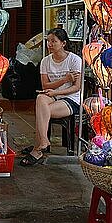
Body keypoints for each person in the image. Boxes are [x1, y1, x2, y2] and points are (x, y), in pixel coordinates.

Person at [20, 28, 82, 166]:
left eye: (53, 41)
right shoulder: (45, 61)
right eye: (48, 41)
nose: (49, 44)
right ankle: (43, 141)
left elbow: (76, 87)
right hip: (52, 95)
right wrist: (65, 79)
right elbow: (45, 85)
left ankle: (38, 148)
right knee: (40, 99)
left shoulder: (74, 60)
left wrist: (56, 92)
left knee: (42, 110)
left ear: (63, 43)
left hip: (71, 98)